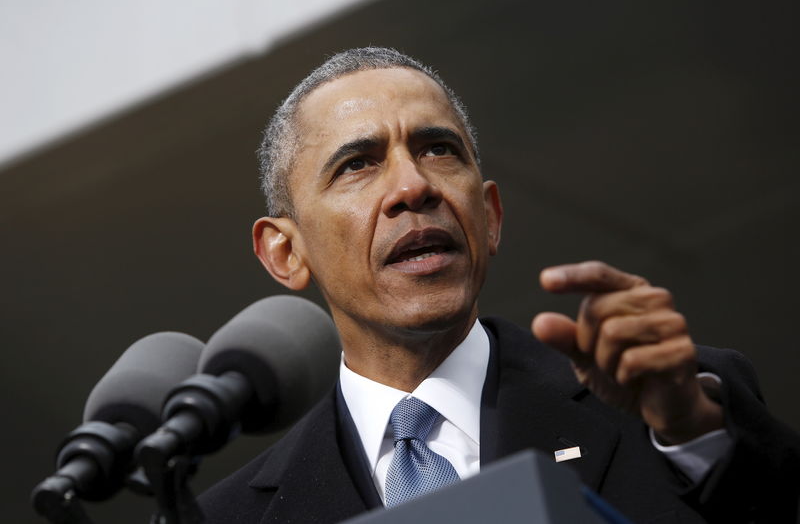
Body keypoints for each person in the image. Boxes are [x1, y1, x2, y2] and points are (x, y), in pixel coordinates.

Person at [199, 47, 800, 523]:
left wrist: (692, 432)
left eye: (438, 150)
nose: (414, 187)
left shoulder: (672, 409)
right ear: (285, 251)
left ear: (489, 217)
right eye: (358, 164)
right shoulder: (226, 518)